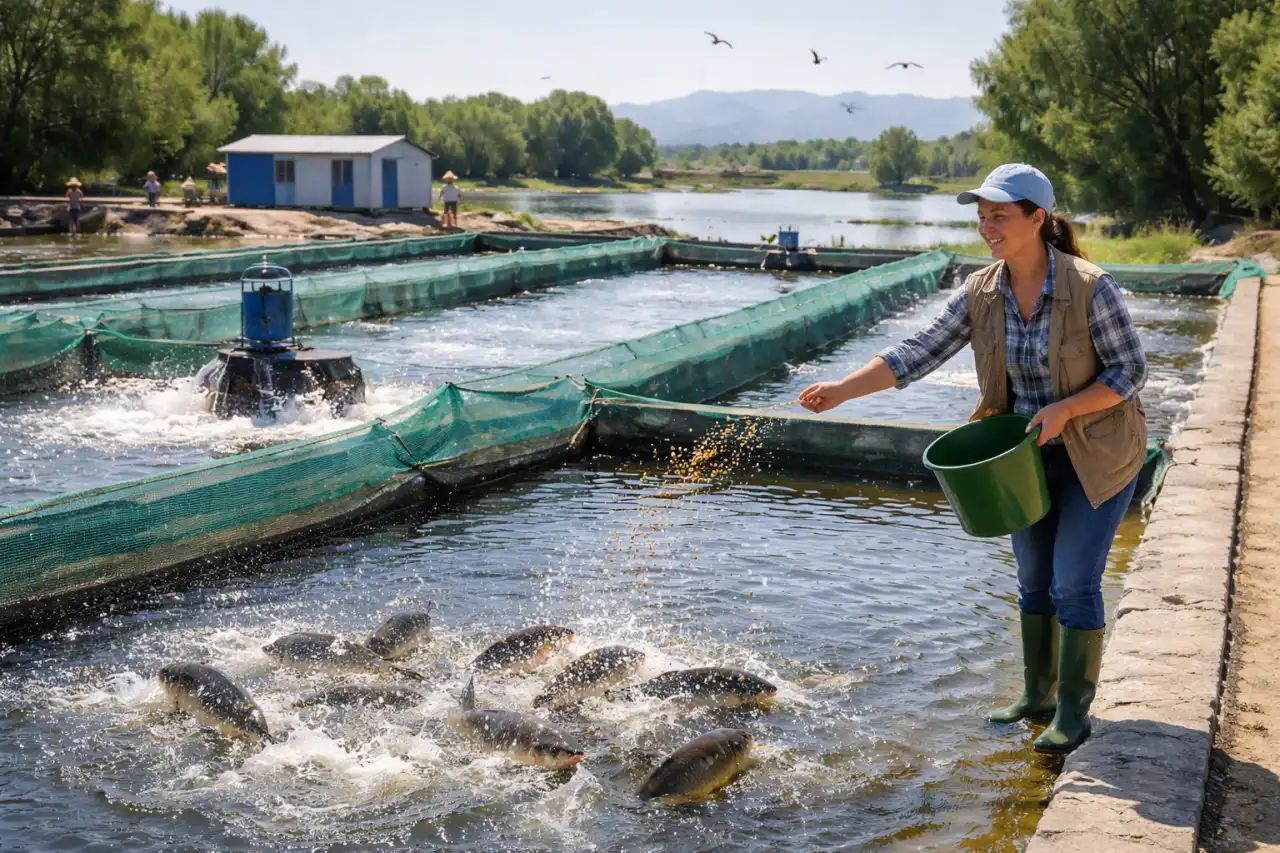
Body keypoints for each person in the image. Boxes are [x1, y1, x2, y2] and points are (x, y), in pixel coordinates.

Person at [798, 163, 1148, 755]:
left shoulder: (1092, 287)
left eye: (1000, 215)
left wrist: (1066, 409)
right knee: (1033, 581)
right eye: (982, 216)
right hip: (1022, 462)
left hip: (1099, 454)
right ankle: (1037, 694)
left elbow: (1130, 371)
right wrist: (839, 391)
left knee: (1074, 583)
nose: (988, 227)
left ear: (1037, 219)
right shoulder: (981, 291)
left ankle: (1072, 711)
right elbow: (918, 352)